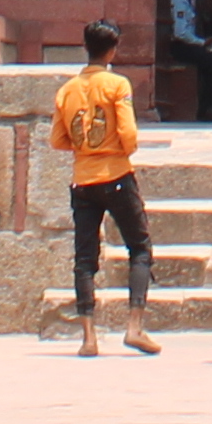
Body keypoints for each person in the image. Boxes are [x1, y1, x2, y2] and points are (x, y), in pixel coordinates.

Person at [50, 19, 156, 353]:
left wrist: (85, 150)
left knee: (84, 258)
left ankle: (88, 336)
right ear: (112, 49)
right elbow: (128, 134)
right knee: (139, 247)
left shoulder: (66, 90)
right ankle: (135, 327)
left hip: (82, 179)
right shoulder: (117, 84)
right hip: (117, 174)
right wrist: (121, 149)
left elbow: (57, 139)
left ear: (86, 47)